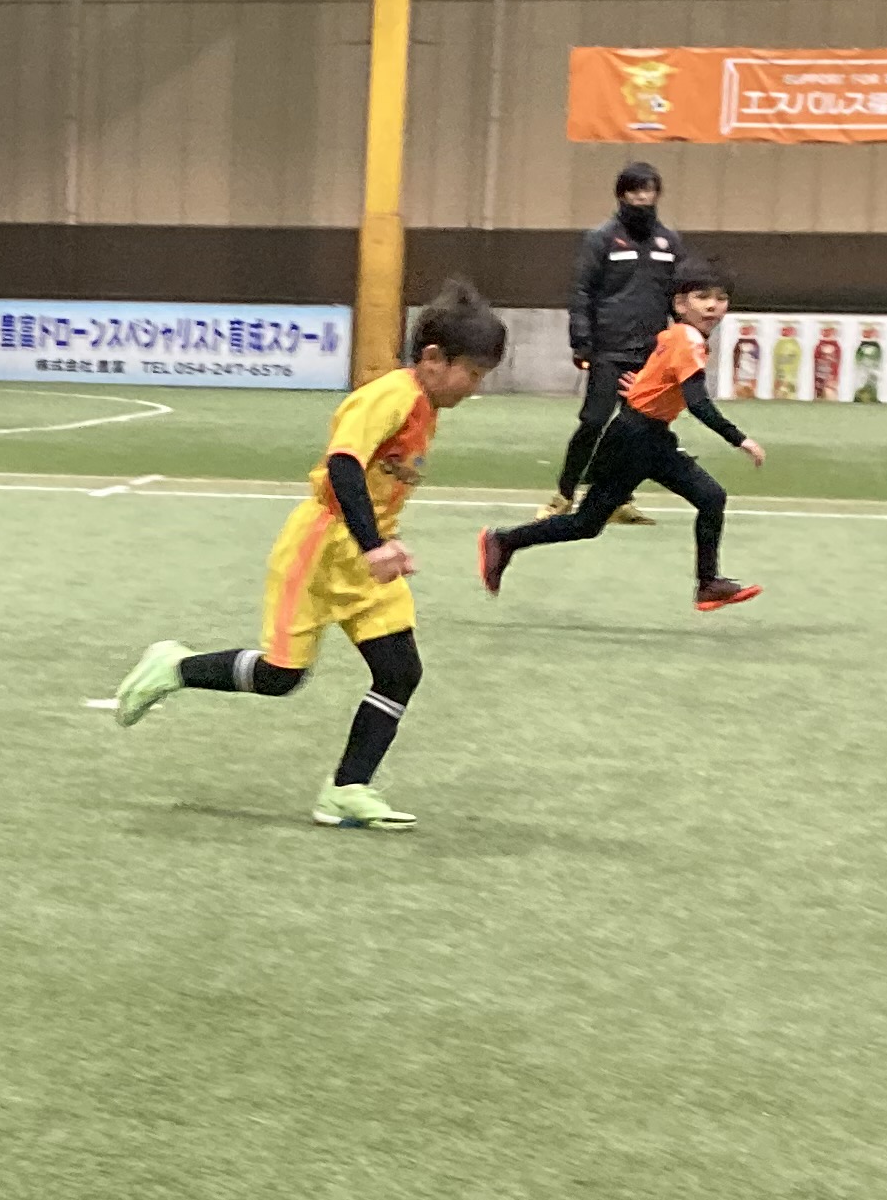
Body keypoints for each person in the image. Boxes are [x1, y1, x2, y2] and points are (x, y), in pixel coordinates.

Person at [106, 278, 509, 832]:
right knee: (281, 676)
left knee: (399, 671)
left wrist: (381, 543)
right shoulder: (390, 397)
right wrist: (373, 545)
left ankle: (346, 790)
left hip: (365, 556)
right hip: (321, 548)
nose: (475, 387)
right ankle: (174, 667)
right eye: (474, 373)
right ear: (434, 358)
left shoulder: (424, 405)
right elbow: (344, 464)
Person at [481, 260, 764, 612]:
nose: (712, 306)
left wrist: (644, 389)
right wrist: (739, 439)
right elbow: (697, 402)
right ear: (680, 304)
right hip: (635, 440)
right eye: (702, 297)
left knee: (706, 499)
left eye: (720, 298)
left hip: (645, 436)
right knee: (591, 523)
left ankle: (708, 584)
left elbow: (660, 372)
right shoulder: (688, 341)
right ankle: (503, 541)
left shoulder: (676, 335)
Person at [553, 162, 689, 519]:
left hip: (652, 354)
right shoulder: (600, 238)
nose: (642, 198)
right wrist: (581, 340)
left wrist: (687, 337)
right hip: (607, 350)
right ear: (621, 194)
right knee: (594, 422)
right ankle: (563, 495)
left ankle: (619, 500)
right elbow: (582, 291)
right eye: (634, 190)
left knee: (637, 430)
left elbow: (680, 296)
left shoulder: (669, 242)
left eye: (648, 190)